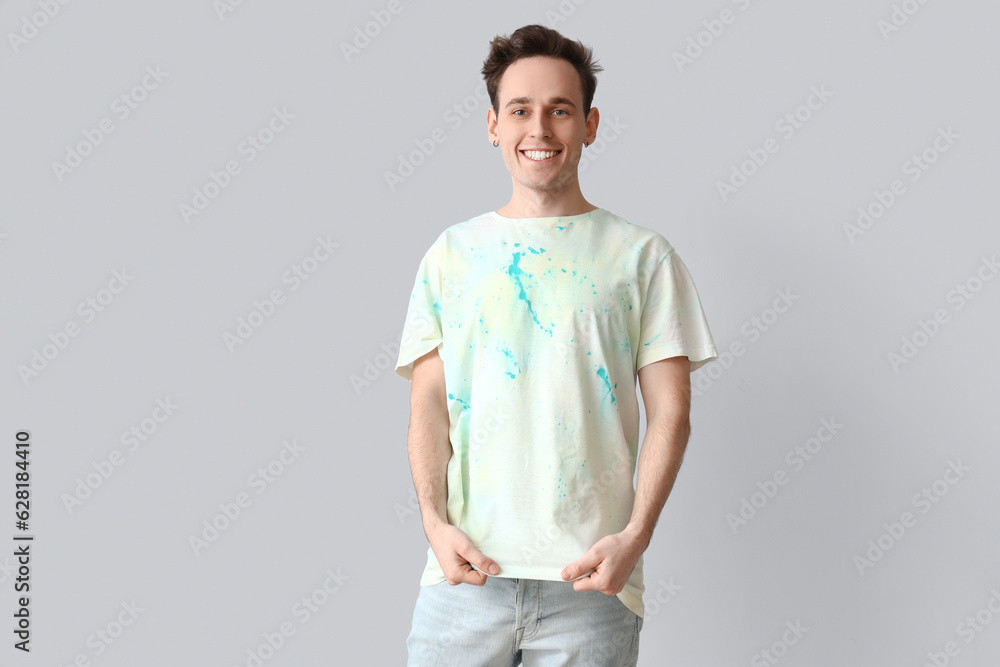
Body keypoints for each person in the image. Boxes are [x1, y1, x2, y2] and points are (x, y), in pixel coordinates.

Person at [394, 23, 718, 666]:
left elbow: (672, 412)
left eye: (559, 110)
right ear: (493, 125)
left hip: (591, 586)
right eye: (520, 110)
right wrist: (434, 524)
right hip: (464, 582)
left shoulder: (642, 258)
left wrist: (635, 538)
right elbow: (428, 406)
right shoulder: (451, 256)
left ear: (590, 125)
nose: (539, 129)